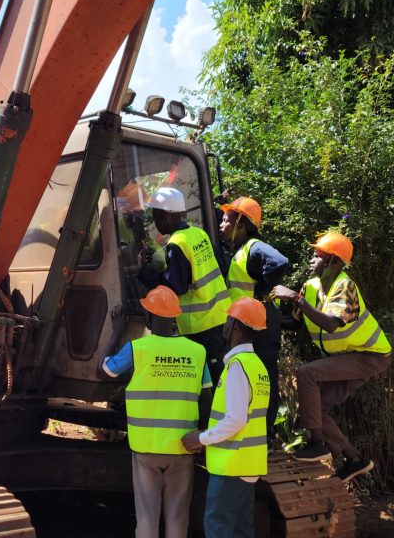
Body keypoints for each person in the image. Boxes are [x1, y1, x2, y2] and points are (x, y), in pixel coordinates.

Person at [272, 232, 391, 483]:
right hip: (348, 357)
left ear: (334, 262)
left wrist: (295, 297)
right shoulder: (312, 286)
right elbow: (294, 323)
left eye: (317, 256)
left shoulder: (344, 285)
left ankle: (318, 444)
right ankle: (355, 459)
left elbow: (331, 324)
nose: (311, 260)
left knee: (307, 373)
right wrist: (261, 319)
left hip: (370, 356)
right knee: (319, 407)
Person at [102, 286, 212, 538]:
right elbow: (206, 398)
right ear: (174, 317)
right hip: (183, 446)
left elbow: (104, 371)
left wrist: (116, 331)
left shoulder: (137, 348)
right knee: (177, 518)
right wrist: (202, 435)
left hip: (146, 448)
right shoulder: (197, 352)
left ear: (149, 318)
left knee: (147, 519)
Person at [181, 297, 270, 538]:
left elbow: (235, 419)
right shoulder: (258, 366)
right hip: (248, 464)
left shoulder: (237, 367)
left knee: (218, 527)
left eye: (229, 319)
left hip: (231, 465)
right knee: (241, 530)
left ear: (237, 326)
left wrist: (201, 438)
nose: (225, 323)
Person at [139, 186, 231, 381]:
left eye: (155, 216)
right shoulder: (199, 234)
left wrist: (146, 273)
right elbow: (221, 266)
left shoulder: (177, 243)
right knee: (219, 377)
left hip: (200, 326)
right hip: (221, 317)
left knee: (208, 381)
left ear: (161, 214)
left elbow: (175, 287)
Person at [218, 196, 289, 437]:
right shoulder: (239, 252)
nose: (221, 225)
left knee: (264, 378)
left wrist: (260, 291)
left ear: (241, 222)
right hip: (252, 323)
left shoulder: (254, 247)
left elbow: (279, 262)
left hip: (261, 324)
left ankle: (266, 436)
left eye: (226, 219)